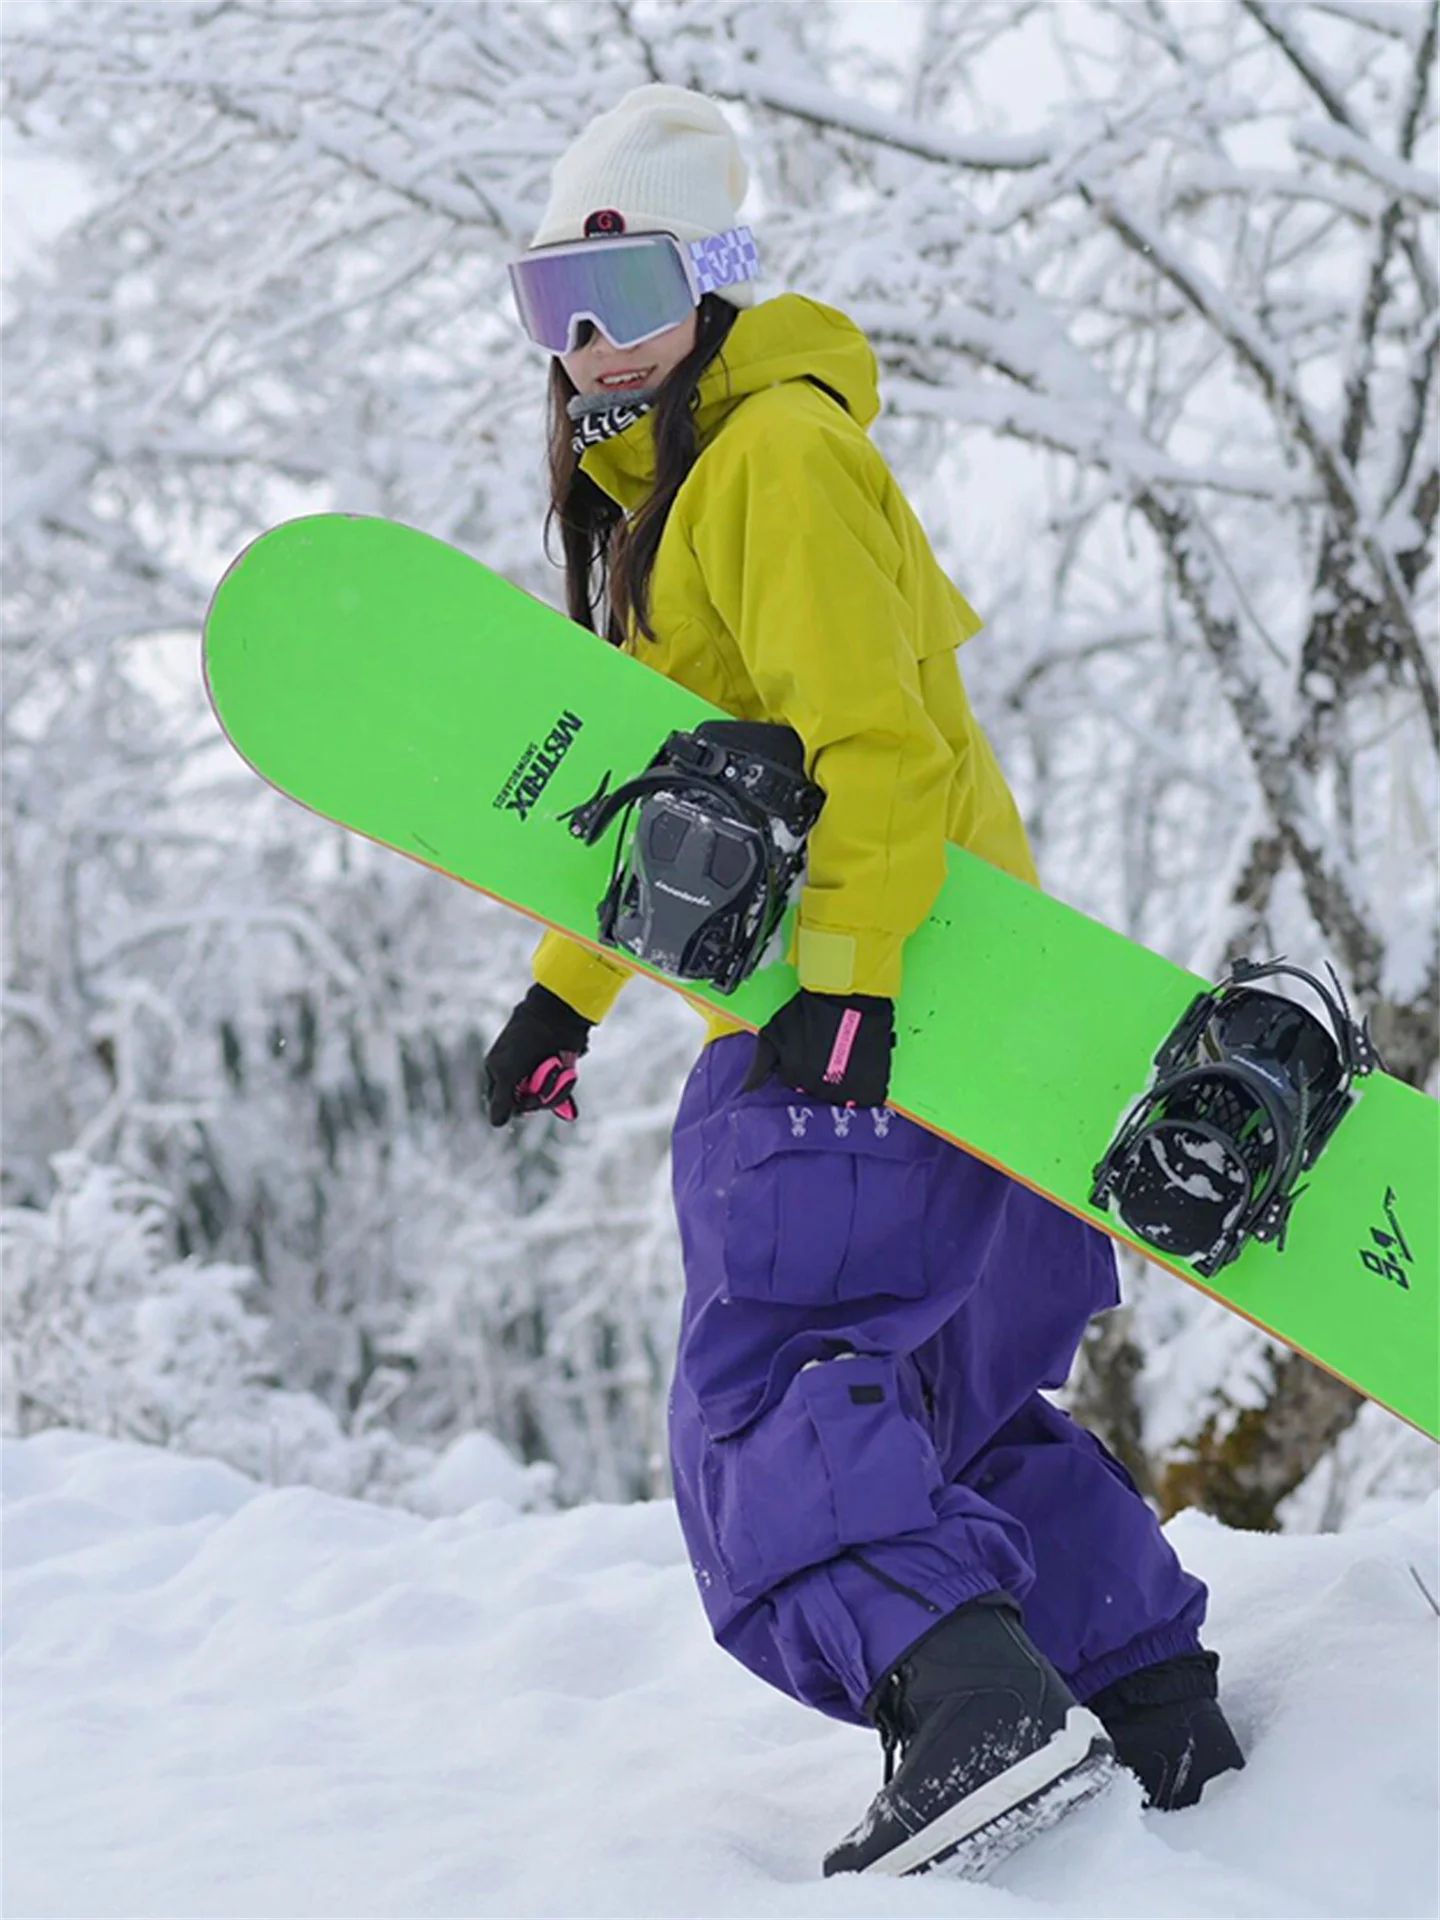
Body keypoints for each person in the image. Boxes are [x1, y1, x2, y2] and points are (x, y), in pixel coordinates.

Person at [486, 83, 1244, 1878]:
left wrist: (843, 984)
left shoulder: (773, 460)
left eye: (632, 293)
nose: (589, 347)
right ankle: (1148, 1697)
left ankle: (965, 1703)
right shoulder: (701, 483)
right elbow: (688, 811)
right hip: (968, 1037)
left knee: (769, 1396)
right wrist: (562, 998)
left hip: (867, 1018)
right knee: (939, 1405)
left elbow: (871, 749)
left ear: (723, 280)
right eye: (552, 306)